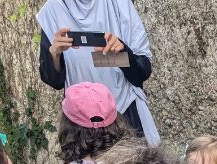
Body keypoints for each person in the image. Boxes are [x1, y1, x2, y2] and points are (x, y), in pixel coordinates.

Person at [36, 0, 159, 143]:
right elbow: (53, 81)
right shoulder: (52, 11)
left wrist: (121, 52)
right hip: (80, 125)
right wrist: (54, 54)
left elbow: (142, 71)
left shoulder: (118, 4)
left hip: (124, 115)